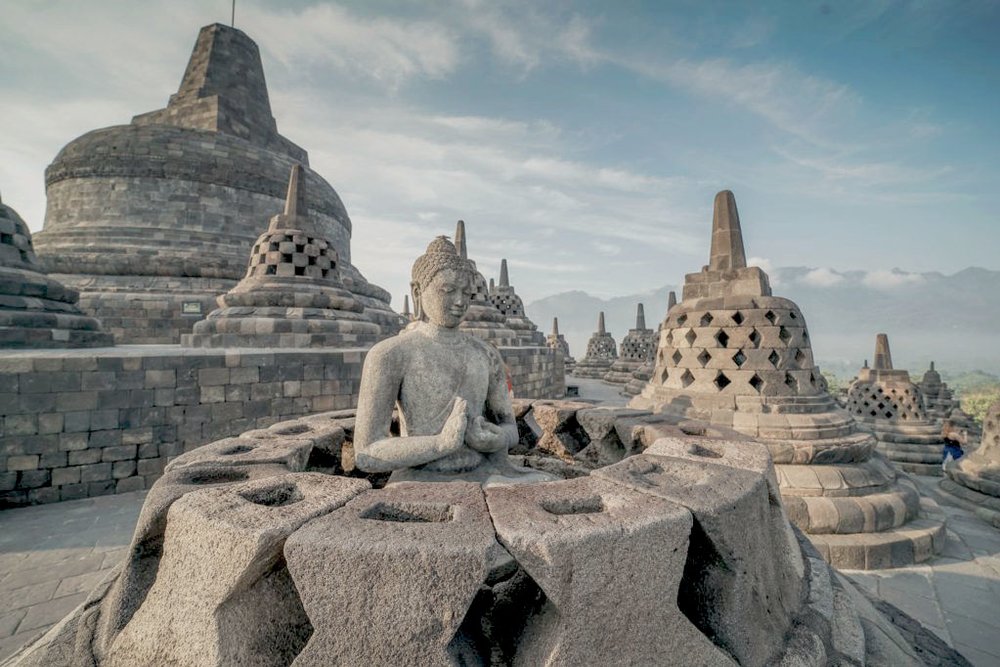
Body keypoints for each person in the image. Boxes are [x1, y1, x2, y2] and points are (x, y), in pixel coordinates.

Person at [352, 235, 553, 487]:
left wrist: (495, 439)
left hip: (486, 473)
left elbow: (509, 429)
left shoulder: (486, 354)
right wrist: (440, 444)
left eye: (466, 293)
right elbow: (366, 453)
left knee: (550, 484)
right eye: (448, 290)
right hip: (421, 481)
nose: (459, 302)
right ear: (417, 292)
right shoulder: (390, 354)